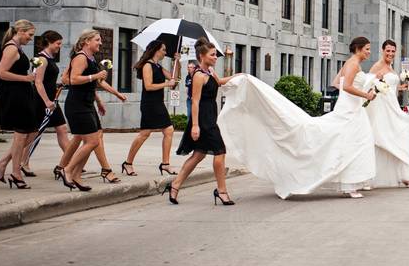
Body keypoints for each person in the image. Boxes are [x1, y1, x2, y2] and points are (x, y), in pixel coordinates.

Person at [216, 36, 377, 199]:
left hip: (352, 108)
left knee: (353, 143)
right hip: (349, 111)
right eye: (367, 49)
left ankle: (351, 182)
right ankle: (349, 185)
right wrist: (365, 95)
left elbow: (337, 83)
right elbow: (347, 86)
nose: (369, 52)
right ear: (358, 48)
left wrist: (359, 94)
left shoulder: (351, 64)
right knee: (350, 142)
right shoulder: (352, 64)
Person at [164, 38, 236, 205]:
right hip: (203, 121)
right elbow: (194, 101)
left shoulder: (210, 72)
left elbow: (219, 83)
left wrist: (239, 77)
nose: (216, 57)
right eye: (212, 55)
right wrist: (195, 126)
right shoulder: (198, 75)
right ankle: (222, 191)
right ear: (202, 56)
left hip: (210, 117)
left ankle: (175, 185)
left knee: (198, 155)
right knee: (220, 151)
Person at [61, 29, 127, 191]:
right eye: (97, 40)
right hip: (78, 105)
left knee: (93, 139)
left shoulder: (90, 58)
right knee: (91, 141)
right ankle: (67, 170)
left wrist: (117, 94)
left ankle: (75, 175)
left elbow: (98, 83)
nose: (100, 43)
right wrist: (94, 76)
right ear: (87, 42)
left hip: (87, 104)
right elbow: (73, 80)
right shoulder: (80, 57)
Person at [0, 19, 42, 189]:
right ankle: (16, 173)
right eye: (30, 35)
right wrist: (25, 78)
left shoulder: (17, 47)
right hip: (13, 96)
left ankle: (2, 162)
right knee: (21, 134)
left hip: (21, 94)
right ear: (20, 31)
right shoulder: (11, 48)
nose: (31, 39)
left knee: (32, 132)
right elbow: (0, 73)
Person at [122, 40, 179, 178]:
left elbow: (174, 78)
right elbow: (148, 86)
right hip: (149, 104)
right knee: (144, 134)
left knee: (168, 130)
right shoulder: (148, 65)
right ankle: (128, 163)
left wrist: (178, 62)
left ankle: (165, 164)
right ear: (156, 50)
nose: (166, 52)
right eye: (164, 49)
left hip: (158, 103)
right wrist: (166, 84)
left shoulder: (158, 66)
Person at [365, 39, 409, 188]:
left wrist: (401, 87)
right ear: (382, 50)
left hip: (393, 106)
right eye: (388, 51)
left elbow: (388, 87)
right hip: (381, 108)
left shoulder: (391, 67)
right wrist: (376, 79)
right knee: (380, 138)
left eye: (393, 51)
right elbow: (369, 85)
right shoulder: (377, 66)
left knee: (400, 134)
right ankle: (368, 177)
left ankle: (404, 175)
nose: (390, 54)